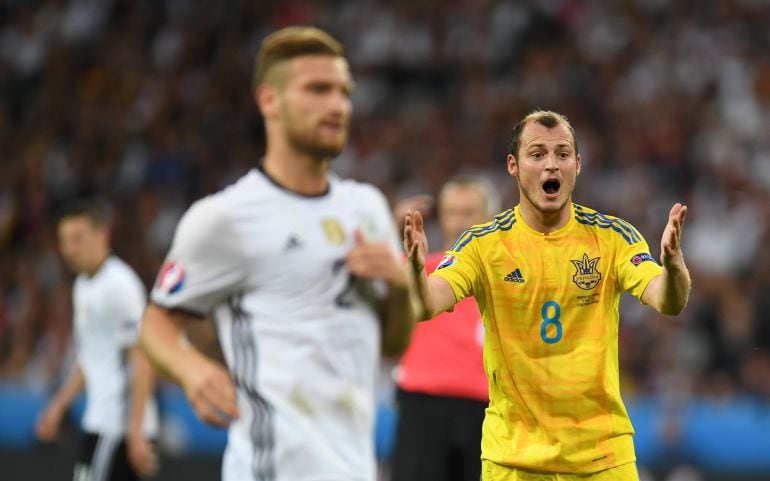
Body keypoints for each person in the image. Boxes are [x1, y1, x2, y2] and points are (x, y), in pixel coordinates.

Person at [138, 26, 418, 481]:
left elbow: (393, 343)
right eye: (318, 90)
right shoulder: (225, 218)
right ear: (270, 100)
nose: (337, 105)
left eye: (344, 92)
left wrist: (402, 290)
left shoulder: (366, 208)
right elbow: (155, 323)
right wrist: (192, 370)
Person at [403, 110, 691, 481]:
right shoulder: (483, 244)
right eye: (537, 154)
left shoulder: (613, 237)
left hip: (602, 457)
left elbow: (669, 300)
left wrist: (673, 266)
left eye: (562, 154)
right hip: (514, 458)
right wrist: (414, 269)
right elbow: (426, 303)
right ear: (513, 165)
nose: (551, 165)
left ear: (578, 164)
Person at [36, 199, 158, 481]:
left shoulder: (120, 286)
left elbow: (142, 358)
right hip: (101, 421)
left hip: (117, 428)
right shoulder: (83, 285)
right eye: (64, 241)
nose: (69, 249)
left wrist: (136, 431)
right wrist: (59, 406)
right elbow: (91, 357)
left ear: (103, 235)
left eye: (77, 239)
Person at [391, 177, 500, 481]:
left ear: (489, 219)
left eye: (468, 212)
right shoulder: (419, 268)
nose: (458, 221)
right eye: (451, 212)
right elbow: (376, 278)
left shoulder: (509, 278)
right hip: (423, 405)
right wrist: (390, 227)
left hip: (487, 408)